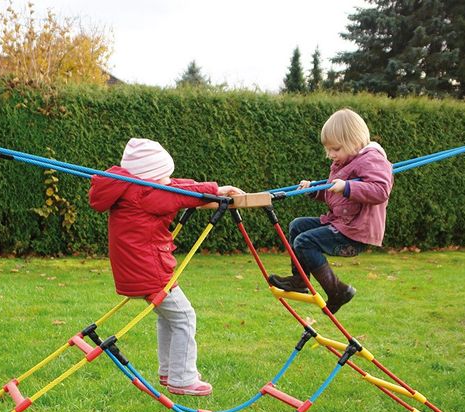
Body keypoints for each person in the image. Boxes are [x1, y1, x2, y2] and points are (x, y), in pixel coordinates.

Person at [88, 138, 244, 396]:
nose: (168, 180)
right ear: (150, 177)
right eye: (163, 176)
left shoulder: (130, 188)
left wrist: (216, 188)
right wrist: (216, 190)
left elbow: (175, 186)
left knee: (168, 317)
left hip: (135, 268)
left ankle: (169, 370)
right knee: (184, 317)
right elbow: (177, 192)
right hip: (148, 269)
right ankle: (182, 378)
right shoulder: (147, 194)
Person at [269, 108, 393, 313]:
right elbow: (334, 194)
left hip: (356, 232)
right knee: (297, 226)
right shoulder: (345, 162)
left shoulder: (372, 159)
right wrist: (314, 190)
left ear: (354, 141)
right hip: (341, 223)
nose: (330, 155)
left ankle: (338, 290)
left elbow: (380, 191)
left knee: (305, 242)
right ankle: (300, 280)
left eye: (335, 149)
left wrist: (346, 186)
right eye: (328, 149)